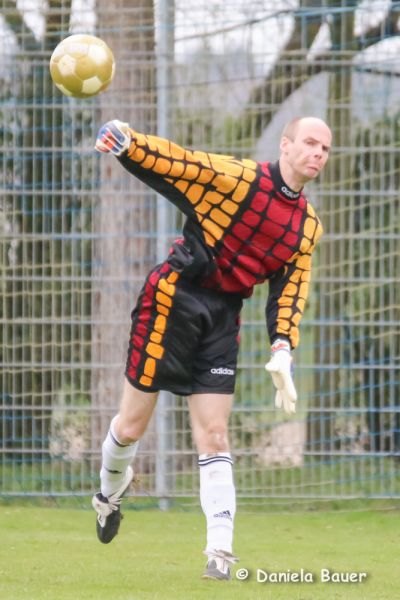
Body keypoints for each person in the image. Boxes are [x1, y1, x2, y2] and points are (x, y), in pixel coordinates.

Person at [91, 116, 332, 580]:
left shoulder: (308, 228)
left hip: (222, 319)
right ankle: (108, 495)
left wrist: (283, 346)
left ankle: (219, 552)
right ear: (285, 145)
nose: (317, 153)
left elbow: (290, 292)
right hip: (171, 300)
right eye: (309, 142)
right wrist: (128, 143)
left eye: (325, 148)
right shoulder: (239, 180)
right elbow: (181, 164)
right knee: (132, 426)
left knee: (215, 434)